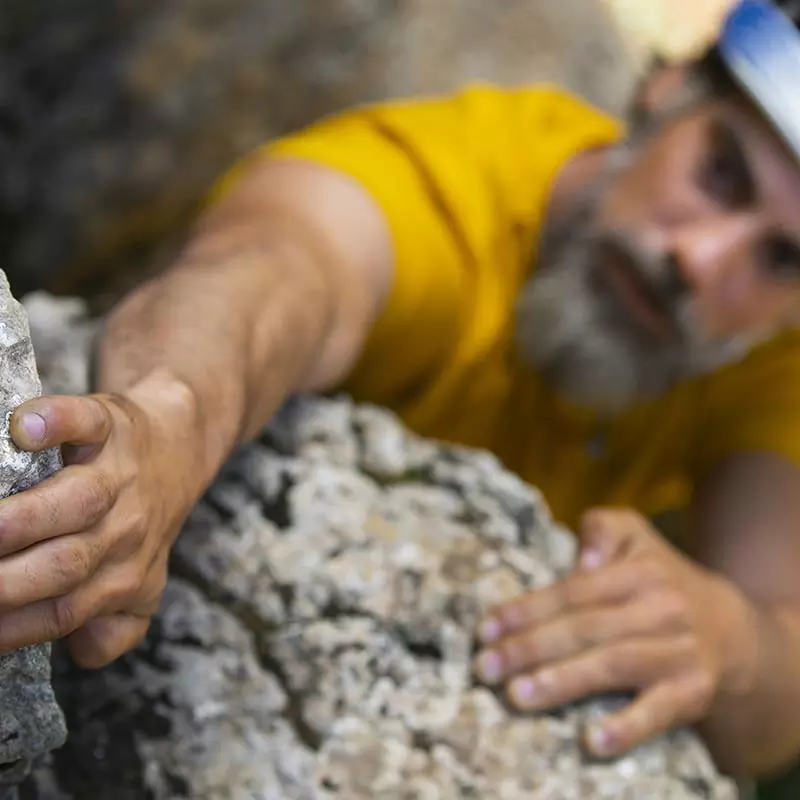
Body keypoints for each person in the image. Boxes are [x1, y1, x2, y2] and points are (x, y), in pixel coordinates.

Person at [3, 0, 800, 780]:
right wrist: (168, 417)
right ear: (670, 89)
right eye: (723, 173)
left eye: (783, 258)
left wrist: (730, 644)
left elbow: (783, 658)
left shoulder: (762, 359)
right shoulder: (460, 183)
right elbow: (280, 266)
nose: (702, 260)